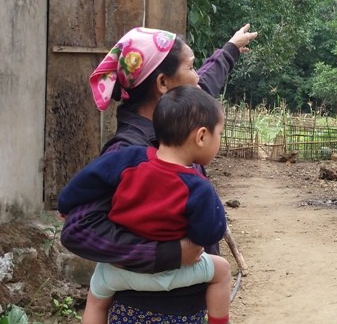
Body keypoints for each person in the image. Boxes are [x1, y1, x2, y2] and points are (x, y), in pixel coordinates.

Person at [59, 25, 257, 323]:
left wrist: (229, 50)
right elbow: (78, 230)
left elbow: (205, 89)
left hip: (186, 305)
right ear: (164, 83)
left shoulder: (180, 128)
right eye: (191, 67)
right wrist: (170, 254)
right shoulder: (128, 152)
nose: (197, 76)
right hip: (148, 309)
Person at [59, 86, 231, 324]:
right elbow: (209, 233)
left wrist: (65, 204)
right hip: (174, 272)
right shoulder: (197, 187)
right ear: (201, 136)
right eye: (219, 134)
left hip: (121, 271)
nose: (219, 141)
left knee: (96, 298)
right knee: (222, 271)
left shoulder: (128, 158)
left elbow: (88, 179)